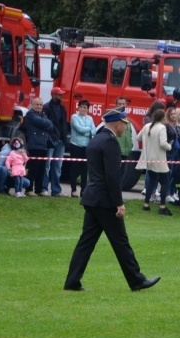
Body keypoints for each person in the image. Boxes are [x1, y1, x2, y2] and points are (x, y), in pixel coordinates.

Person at [63, 108, 160, 292]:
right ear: (118, 124)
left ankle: (72, 281)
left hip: (92, 198)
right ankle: (136, 280)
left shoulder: (95, 140)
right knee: (121, 242)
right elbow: (112, 178)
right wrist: (119, 203)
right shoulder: (110, 143)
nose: (125, 128)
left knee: (86, 243)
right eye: (124, 124)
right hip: (105, 201)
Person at [138, 108, 173, 216]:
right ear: (163, 118)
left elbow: (138, 138)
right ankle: (162, 206)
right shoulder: (161, 128)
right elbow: (163, 143)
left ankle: (146, 204)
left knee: (152, 182)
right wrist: (170, 146)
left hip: (149, 158)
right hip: (159, 159)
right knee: (165, 183)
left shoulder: (147, 126)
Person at [23, 97, 55, 196]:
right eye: (37, 104)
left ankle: (39, 189)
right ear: (32, 105)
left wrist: (45, 123)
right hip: (34, 145)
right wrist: (45, 123)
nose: (39, 106)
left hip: (43, 145)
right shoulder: (30, 114)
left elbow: (51, 125)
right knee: (33, 169)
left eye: (41, 105)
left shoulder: (43, 115)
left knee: (41, 169)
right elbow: (42, 123)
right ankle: (29, 189)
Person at [42, 87, 69, 196]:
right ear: (53, 95)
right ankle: (44, 188)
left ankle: (56, 190)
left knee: (58, 166)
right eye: (59, 95)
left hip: (60, 140)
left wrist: (64, 139)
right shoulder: (46, 107)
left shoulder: (63, 108)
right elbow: (46, 124)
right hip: (50, 139)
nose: (61, 96)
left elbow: (64, 125)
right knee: (47, 165)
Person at [69, 100, 96, 197]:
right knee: (75, 168)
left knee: (85, 169)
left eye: (85, 107)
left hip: (86, 146)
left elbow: (95, 131)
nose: (83, 109)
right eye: (81, 107)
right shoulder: (74, 117)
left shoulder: (90, 118)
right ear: (78, 107)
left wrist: (88, 130)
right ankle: (73, 189)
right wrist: (89, 129)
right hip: (75, 145)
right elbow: (79, 129)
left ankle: (83, 190)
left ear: (88, 109)